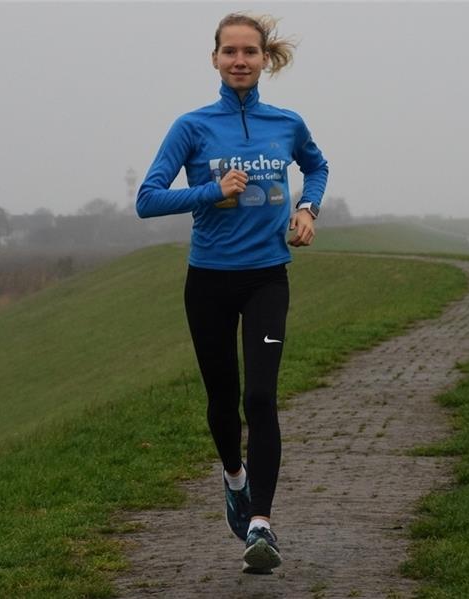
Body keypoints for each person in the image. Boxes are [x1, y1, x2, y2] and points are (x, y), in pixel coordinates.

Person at [136, 12, 328, 574]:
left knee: (260, 398)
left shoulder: (286, 123)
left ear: (264, 59)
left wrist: (308, 207)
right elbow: (147, 199)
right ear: (215, 59)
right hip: (209, 281)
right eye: (230, 52)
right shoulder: (191, 127)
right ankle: (234, 477)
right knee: (222, 400)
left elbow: (317, 167)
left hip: (266, 277)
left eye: (249, 52)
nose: (240, 61)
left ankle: (261, 524)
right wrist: (209, 191)